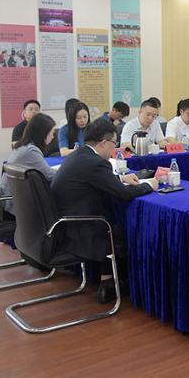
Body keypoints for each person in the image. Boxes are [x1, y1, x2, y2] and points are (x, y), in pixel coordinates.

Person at [51, 118, 157, 303]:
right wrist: (150, 185)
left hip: (63, 224)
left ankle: (107, 281)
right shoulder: (96, 163)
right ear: (103, 143)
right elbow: (124, 194)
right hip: (79, 229)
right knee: (121, 230)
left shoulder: (79, 155)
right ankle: (113, 283)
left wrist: (120, 179)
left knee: (110, 222)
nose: (114, 149)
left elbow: (95, 179)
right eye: (114, 144)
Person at [0, 113, 57, 215]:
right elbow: (50, 176)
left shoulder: (23, 146)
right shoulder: (31, 151)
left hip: (10, 199)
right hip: (16, 204)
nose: (53, 137)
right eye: (51, 133)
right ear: (43, 133)